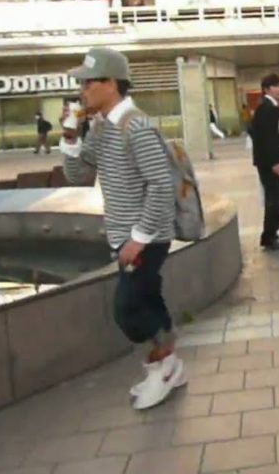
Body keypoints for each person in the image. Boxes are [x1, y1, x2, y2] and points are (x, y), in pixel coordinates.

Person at [60, 47, 185, 410]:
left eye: (88, 83)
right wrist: (70, 138)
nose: (82, 90)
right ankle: (167, 365)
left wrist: (139, 239)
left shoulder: (136, 126)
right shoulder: (101, 125)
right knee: (147, 298)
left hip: (145, 236)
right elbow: (78, 175)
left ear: (111, 83)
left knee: (126, 310)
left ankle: (164, 362)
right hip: (123, 234)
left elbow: (160, 184)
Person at [251, 74, 279, 251]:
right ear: (267, 89)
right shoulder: (267, 109)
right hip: (269, 163)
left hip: (267, 161)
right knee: (275, 199)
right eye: (276, 86)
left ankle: (272, 234)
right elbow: (268, 138)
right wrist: (275, 162)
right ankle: (269, 236)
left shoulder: (267, 107)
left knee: (276, 197)